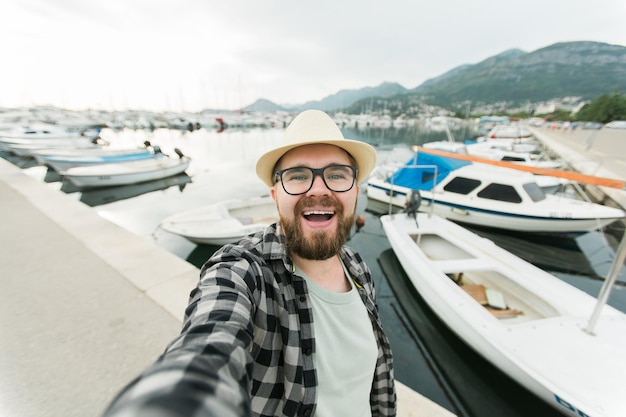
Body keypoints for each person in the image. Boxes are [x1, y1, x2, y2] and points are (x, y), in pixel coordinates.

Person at [103, 109, 396, 417]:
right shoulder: (243, 272)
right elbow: (211, 339)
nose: (319, 189)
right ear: (275, 195)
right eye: (297, 176)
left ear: (355, 191)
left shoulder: (358, 267)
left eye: (337, 175)